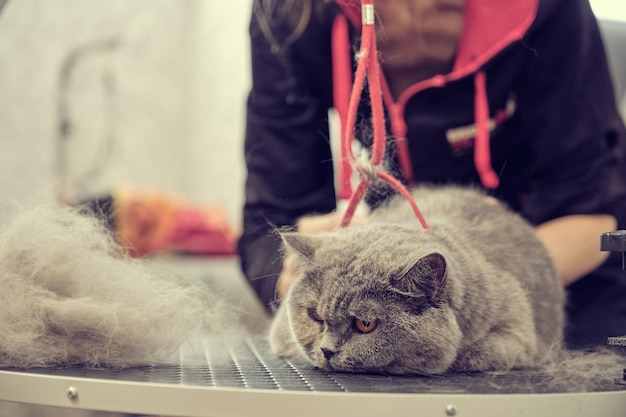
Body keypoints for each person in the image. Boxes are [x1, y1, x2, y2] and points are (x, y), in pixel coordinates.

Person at [238, 0, 626, 349]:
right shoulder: (289, 13)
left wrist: (463, 296)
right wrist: (305, 273)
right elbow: (269, 220)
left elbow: (594, 218)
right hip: (383, 305)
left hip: (558, 290)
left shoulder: (549, 9)